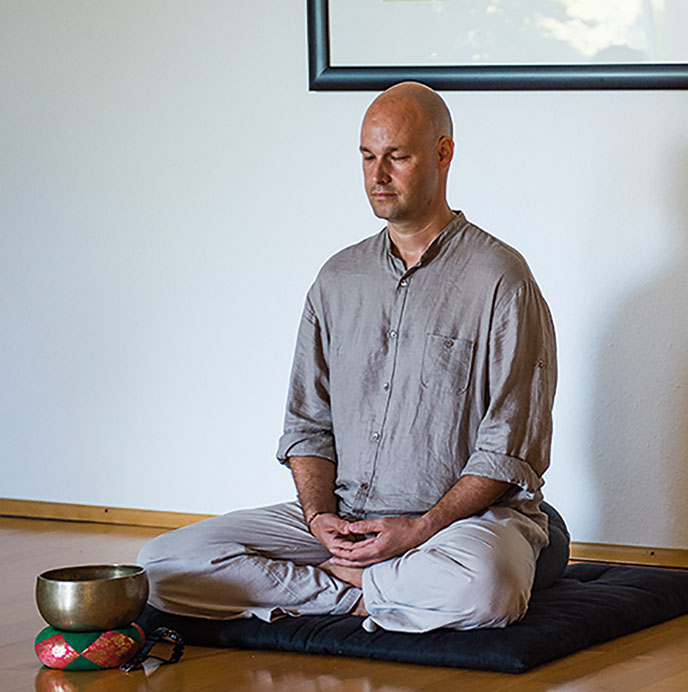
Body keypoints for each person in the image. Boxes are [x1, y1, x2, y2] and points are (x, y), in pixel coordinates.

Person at [138, 82, 559, 634]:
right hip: (344, 523)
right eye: (367, 157)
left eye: (397, 157)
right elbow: (308, 428)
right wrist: (318, 521)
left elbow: (509, 449)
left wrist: (418, 530)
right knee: (162, 563)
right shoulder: (337, 280)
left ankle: (356, 585)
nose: (377, 176)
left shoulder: (501, 279)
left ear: (442, 153)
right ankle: (362, 594)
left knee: (486, 588)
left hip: (460, 527)